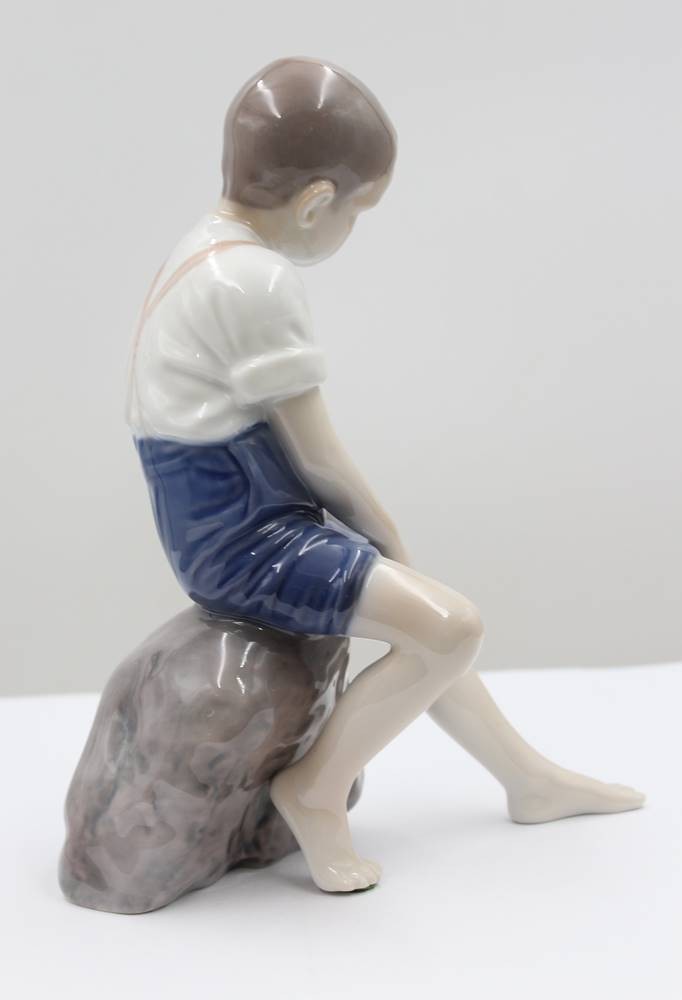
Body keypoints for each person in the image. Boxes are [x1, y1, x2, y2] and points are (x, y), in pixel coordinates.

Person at [126, 57, 644, 894]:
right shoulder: (253, 280)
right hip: (242, 536)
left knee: (425, 625)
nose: (349, 228)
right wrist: (389, 538)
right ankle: (315, 792)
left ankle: (527, 779)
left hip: (242, 508)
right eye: (356, 212)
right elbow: (318, 457)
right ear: (316, 202)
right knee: (452, 627)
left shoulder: (204, 248)